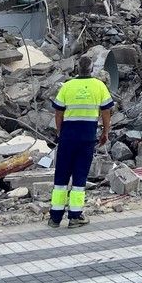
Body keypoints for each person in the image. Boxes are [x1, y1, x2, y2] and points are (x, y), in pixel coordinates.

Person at [49, 56, 114, 228]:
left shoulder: (67, 86)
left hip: (67, 136)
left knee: (61, 175)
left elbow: (58, 113)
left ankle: (55, 218)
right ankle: (75, 217)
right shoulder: (99, 86)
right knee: (80, 176)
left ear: (77, 69)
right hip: (87, 136)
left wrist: (59, 131)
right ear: (92, 70)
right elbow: (106, 111)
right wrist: (105, 132)